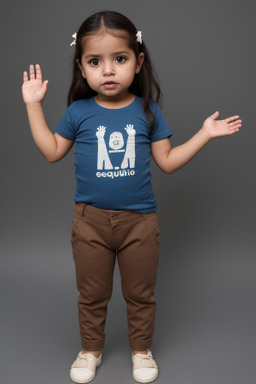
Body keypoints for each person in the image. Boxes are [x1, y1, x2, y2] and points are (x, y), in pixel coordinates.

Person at [22, 10, 241, 384]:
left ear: (138, 63)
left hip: (140, 223)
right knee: (91, 294)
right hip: (89, 222)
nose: (108, 71)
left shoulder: (148, 112)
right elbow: (51, 151)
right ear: (82, 67)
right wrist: (33, 105)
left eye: (119, 59)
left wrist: (203, 134)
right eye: (95, 62)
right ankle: (90, 350)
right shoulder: (78, 112)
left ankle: (141, 350)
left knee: (141, 294)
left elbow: (168, 163)